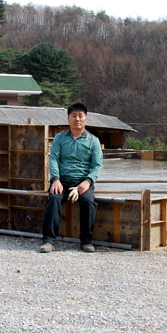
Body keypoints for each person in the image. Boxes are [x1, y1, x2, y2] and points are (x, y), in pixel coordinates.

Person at [39, 102, 103, 253]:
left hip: (83, 181)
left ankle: (86, 241)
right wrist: (55, 179)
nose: (77, 119)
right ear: (68, 118)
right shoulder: (60, 138)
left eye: (80, 116)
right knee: (54, 199)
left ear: (86, 119)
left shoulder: (93, 141)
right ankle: (49, 241)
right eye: (73, 116)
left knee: (88, 201)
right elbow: (53, 159)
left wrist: (87, 182)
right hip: (61, 180)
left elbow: (97, 166)